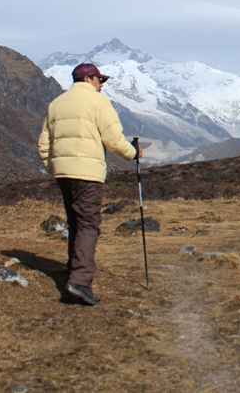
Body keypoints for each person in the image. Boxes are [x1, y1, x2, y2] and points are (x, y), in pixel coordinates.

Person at [38, 62, 142, 305]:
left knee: (75, 222)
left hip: (64, 174)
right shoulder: (98, 102)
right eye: (99, 80)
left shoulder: (56, 104)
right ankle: (80, 281)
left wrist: (56, 167)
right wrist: (133, 153)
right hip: (87, 174)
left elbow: (44, 145)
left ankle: (73, 270)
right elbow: (113, 139)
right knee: (88, 224)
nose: (102, 85)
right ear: (88, 79)